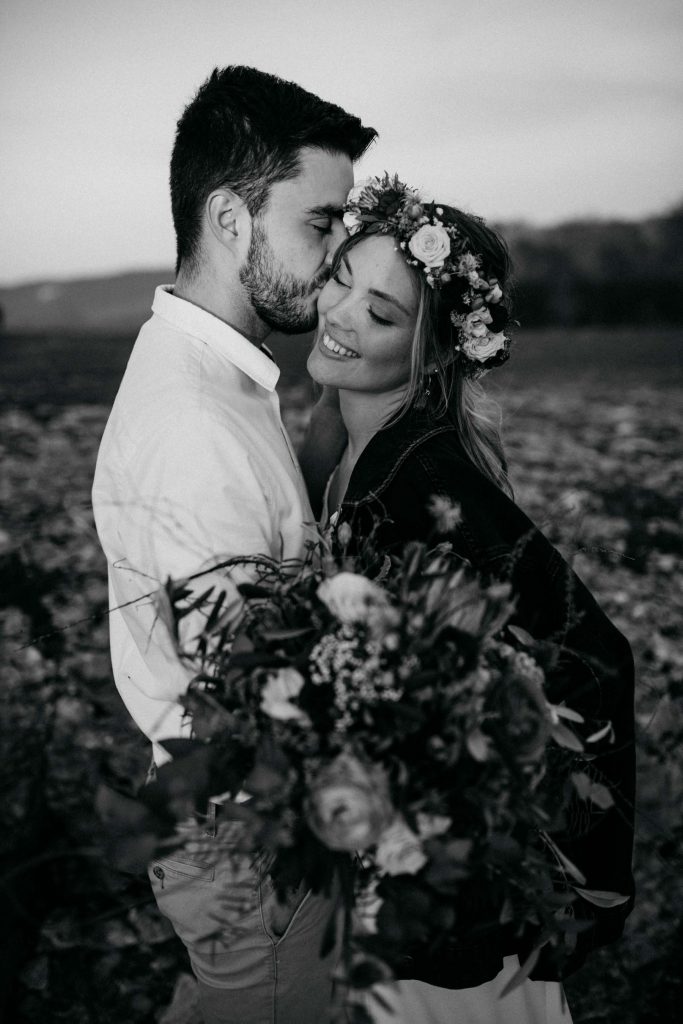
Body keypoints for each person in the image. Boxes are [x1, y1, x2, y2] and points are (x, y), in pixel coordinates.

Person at [306, 175, 636, 1022]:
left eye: (380, 314)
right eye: (341, 277)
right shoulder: (347, 442)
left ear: (437, 353)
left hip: (450, 895)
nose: (340, 314)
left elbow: (592, 655)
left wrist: (585, 868)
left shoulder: (425, 477)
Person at [92, 66, 376, 1024]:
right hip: (249, 839)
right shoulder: (195, 425)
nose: (339, 257)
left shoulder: (215, 375)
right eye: (320, 223)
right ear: (229, 218)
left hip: (238, 824)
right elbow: (248, 699)